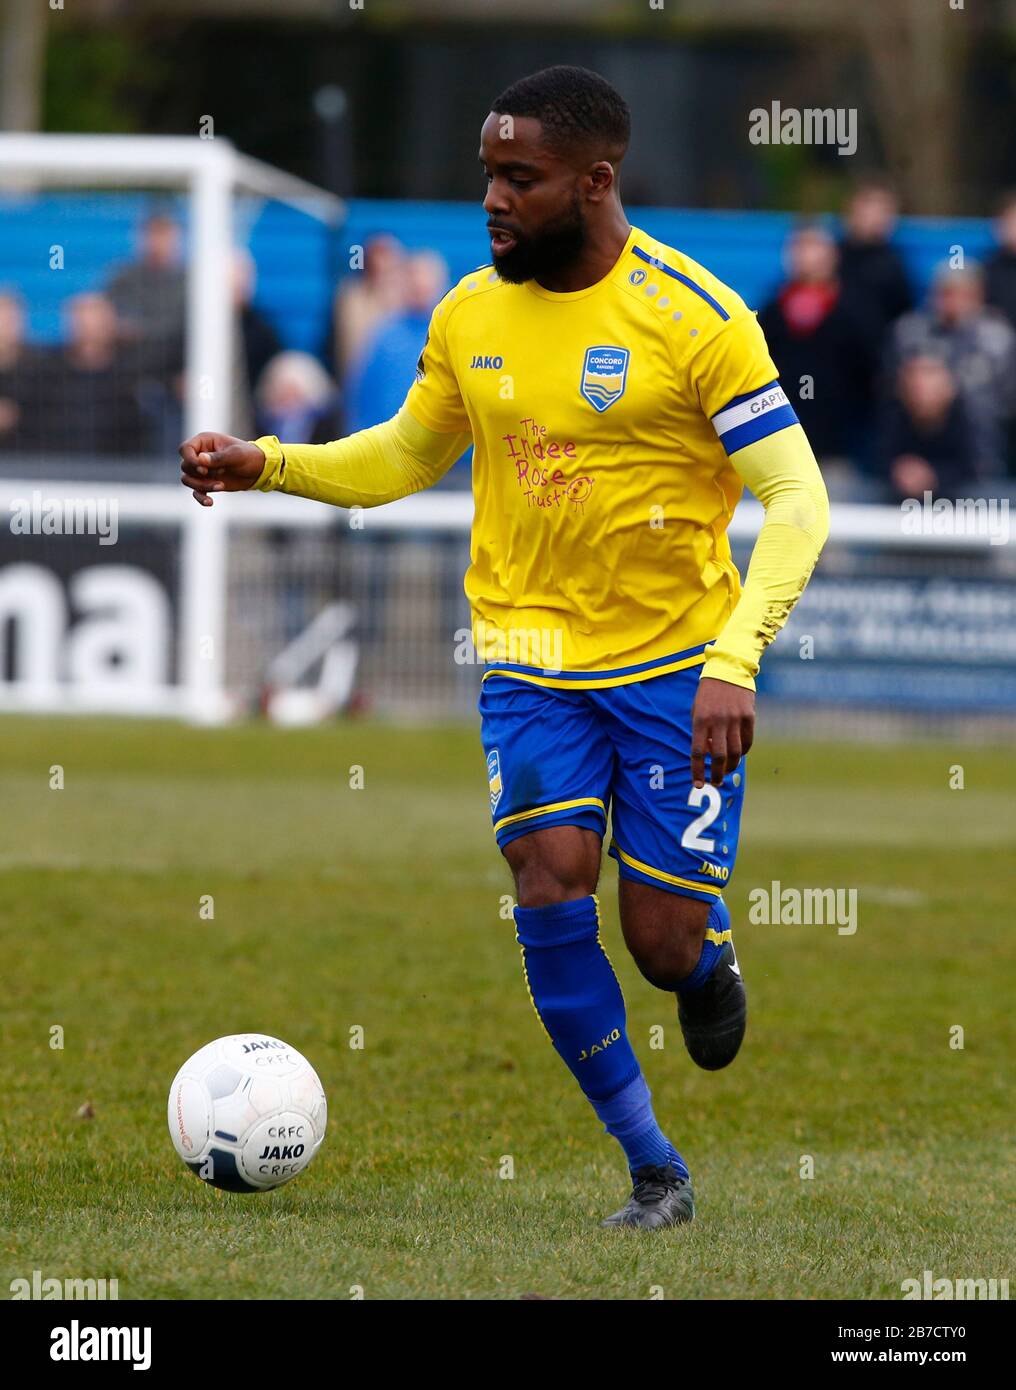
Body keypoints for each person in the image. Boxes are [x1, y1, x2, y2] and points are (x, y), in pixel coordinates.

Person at [180, 66, 829, 1231]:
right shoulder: (468, 313)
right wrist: (268, 461)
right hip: (528, 660)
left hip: (678, 669)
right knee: (546, 878)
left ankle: (702, 953)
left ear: (594, 180)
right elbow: (400, 456)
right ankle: (652, 1167)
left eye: (517, 179)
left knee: (660, 942)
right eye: (486, 173)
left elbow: (796, 501)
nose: (492, 199)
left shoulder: (696, 319)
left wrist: (735, 660)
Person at [759, 224, 876, 489]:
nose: (803, 255)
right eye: (798, 247)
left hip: (838, 452)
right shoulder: (773, 310)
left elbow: (869, 373)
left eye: (812, 247)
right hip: (780, 448)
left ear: (831, 255)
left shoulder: (855, 309)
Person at [889, 262, 1016, 477]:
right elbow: (889, 389)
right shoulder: (910, 332)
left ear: (978, 296)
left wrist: (953, 395)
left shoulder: (998, 338)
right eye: (945, 293)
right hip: (919, 442)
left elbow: (1009, 400)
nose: (952, 302)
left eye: (962, 294)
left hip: (986, 447)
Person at [343, 250, 449, 432]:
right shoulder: (384, 336)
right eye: (414, 280)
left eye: (426, 281)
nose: (419, 286)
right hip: (389, 445)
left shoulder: (451, 334)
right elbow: (362, 395)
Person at [30, 293, 147, 456]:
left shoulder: (131, 375)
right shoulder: (45, 373)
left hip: (117, 467)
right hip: (56, 466)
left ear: (111, 324)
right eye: (82, 322)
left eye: (96, 322)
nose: (89, 330)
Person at [877, 354, 980, 502]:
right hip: (896, 502)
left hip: (963, 505)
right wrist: (900, 471)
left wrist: (933, 476)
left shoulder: (969, 416)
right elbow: (879, 461)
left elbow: (975, 467)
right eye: (914, 381)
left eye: (929, 377)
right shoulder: (893, 415)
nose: (920, 387)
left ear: (948, 388)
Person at [105, 210, 186, 377]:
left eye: (162, 232)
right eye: (151, 232)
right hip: (129, 370)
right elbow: (115, 324)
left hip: (178, 369)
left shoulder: (192, 283)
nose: (156, 241)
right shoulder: (123, 279)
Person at [837, 179, 913, 341]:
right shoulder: (831, 259)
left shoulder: (893, 266)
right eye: (867, 208)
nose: (874, 218)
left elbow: (901, 318)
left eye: (884, 211)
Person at [332, 233, 407, 380]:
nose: (381, 263)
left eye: (387, 257)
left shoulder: (409, 296)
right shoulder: (352, 296)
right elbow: (352, 353)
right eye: (376, 257)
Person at [255, 351, 342, 445]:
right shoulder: (261, 425)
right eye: (281, 395)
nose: (287, 402)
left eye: (292, 394)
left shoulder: (328, 426)